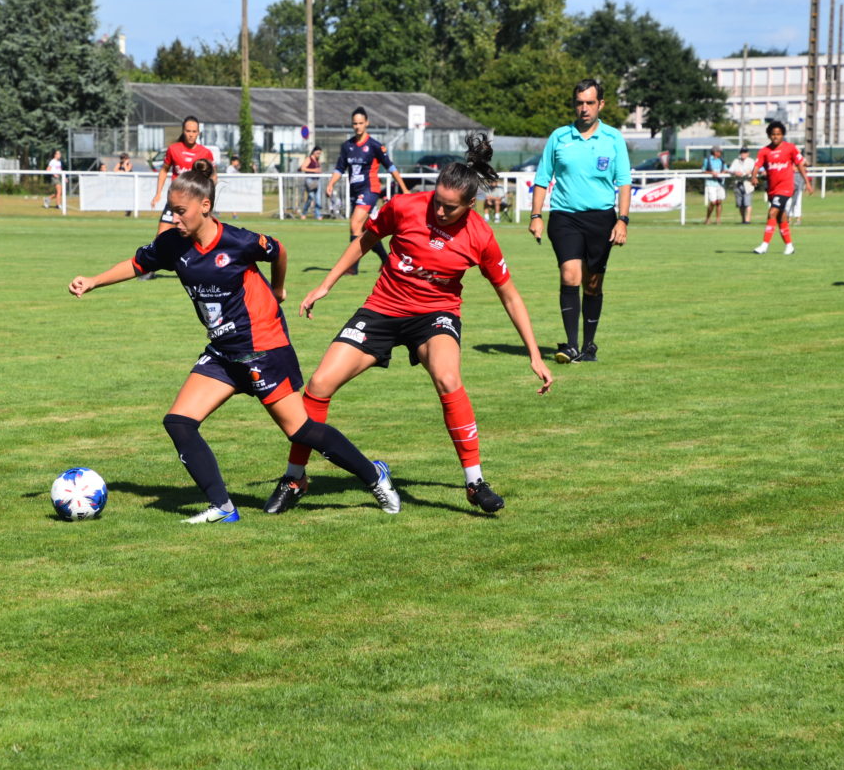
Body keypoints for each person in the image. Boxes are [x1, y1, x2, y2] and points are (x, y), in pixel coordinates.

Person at [67, 160, 400, 522]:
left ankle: (374, 475)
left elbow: (278, 250)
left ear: (204, 206)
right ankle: (222, 508)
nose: (174, 218)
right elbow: (137, 264)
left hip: (263, 347)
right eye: (171, 210)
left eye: (181, 211)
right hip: (223, 352)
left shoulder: (237, 241)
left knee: (301, 430)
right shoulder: (172, 244)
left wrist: (277, 288)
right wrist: (93, 281)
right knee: (179, 421)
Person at [262, 133, 553, 516]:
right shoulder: (404, 206)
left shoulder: (481, 235)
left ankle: (475, 482)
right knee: (319, 384)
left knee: (448, 378)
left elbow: (510, 296)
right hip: (382, 309)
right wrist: (326, 285)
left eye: (450, 208)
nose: (440, 212)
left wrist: (534, 354)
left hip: (435, 316)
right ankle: (295, 478)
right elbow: (365, 240)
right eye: (437, 202)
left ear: (470, 205)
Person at [528, 78, 632, 365]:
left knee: (593, 283)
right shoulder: (559, 137)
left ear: (601, 104)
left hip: (601, 219)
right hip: (564, 217)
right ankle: (572, 345)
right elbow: (542, 179)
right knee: (569, 275)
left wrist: (622, 220)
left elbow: (624, 182)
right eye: (579, 103)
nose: (584, 108)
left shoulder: (613, 138)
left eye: (590, 102)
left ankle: (588, 345)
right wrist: (536, 216)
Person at [325, 107, 411, 274]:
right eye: (354, 123)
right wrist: (331, 183)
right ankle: (385, 260)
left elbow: (390, 167)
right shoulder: (347, 146)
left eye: (360, 123)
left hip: (370, 190)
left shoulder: (374, 146)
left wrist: (404, 188)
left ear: (367, 123)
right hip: (355, 192)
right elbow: (339, 168)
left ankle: (352, 268)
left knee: (354, 225)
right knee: (365, 230)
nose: (357, 126)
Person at [751, 121, 812, 255]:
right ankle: (789, 246)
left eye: (778, 134)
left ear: (783, 135)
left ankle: (764, 246)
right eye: (773, 134)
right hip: (772, 188)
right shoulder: (764, 151)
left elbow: (800, 164)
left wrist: (807, 182)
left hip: (786, 187)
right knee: (781, 216)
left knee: (772, 212)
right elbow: (757, 165)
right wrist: (753, 176)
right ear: (769, 135)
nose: (775, 136)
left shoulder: (790, 148)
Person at [150, 116, 216, 237]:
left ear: (198, 133)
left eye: (194, 131)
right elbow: (164, 170)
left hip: (194, 201)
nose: (191, 134)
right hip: (175, 199)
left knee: (194, 236)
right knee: (161, 236)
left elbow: (213, 177)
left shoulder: (205, 152)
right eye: (188, 131)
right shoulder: (173, 149)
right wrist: (158, 193)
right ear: (183, 131)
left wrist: (208, 196)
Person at [728, 146, 756, 224]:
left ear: (748, 153)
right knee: (740, 204)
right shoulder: (736, 161)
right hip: (738, 183)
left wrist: (749, 172)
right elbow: (730, 170)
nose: (743, 154)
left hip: (748, 183)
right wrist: (735, 172)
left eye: (745, 152)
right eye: (742, 152)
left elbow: (755, 170)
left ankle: (747, 220)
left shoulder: (751, 161)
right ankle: (743, 219)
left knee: (747, 202)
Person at [702, 146, 728, 225]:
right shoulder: (707, 160)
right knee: (713, 202)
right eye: (719, 152)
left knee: (719, 201)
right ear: (715, 152)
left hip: (720, 183)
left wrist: (722, 173)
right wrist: (711, 173)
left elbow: (725, 169)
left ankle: (718, 219)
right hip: (711, 183)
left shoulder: (722, 160)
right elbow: (703, 171)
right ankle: (708, 218)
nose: (720, 153)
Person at [298, 146, 323, 220]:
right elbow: (302, 168)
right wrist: (314, 170)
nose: (319, 155)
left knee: (318, 198)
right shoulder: (309, 159)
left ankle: (318, 215)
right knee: (311, 197)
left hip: (317, 180)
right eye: (317, 153)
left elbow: (319, 169)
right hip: (310, 180)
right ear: (314, 152)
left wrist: (319, 170)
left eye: (320, 153)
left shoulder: (318, 160)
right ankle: (304, 213)